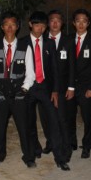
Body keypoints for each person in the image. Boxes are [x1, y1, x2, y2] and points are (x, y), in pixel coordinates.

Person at [0, 11, 36, 168]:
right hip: (1, 91)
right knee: (1, 125)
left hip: (18, 91)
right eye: (6, 24)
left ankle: (28, 157)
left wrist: (24, 89)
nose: (9, 27)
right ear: (2, 27)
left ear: (18, 26)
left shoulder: (25, 47)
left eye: (13, 24)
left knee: (23, 124)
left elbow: (31, 73)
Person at [23, 11, 70, 171]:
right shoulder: (22, 43)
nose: (40, 29)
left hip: (45, 88)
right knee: (29, 122)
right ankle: (31, 154)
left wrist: (55, 90)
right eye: (37, 25)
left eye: (43, 26)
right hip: (29, 87)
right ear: (30, 25)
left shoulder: (49, 43)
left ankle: (60, 158)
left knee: (54, 122)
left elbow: (55, 69)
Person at [66, 9, 91, 159]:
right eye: (78, 21)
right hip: (70, 86)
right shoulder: (68, 40)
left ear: (88, 23)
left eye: (84, 21)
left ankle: (87, 145)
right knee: (70, 116)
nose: (81, 24)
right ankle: (71, 142)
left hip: (86, 87)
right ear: (73, 23)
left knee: (87, 118)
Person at [46, 10, 75, 161]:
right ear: (48, 23)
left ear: (62, 23)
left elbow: (72, 66)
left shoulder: (68, 41)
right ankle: (51, 142)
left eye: (58, 20)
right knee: (47, 117)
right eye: (52, 20)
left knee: (62, 118)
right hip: (46, 87)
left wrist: (71, 87)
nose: (55, 23)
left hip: (63, 87)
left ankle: (66, 147)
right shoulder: (42, 40)